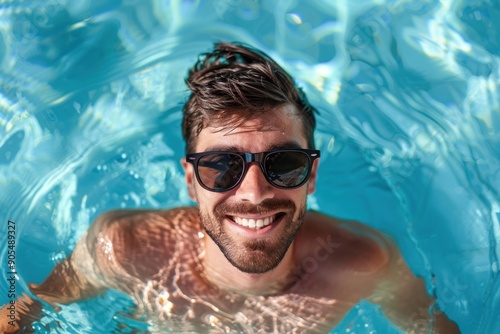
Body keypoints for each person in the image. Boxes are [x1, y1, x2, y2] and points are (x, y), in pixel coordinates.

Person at [1, 42, 459, 333]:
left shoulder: (362, 263)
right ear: (189, 179)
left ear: (312, 175)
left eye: (284, 163)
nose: (255, 193)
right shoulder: (123, 250)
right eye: (222, 167)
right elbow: (25, 313)